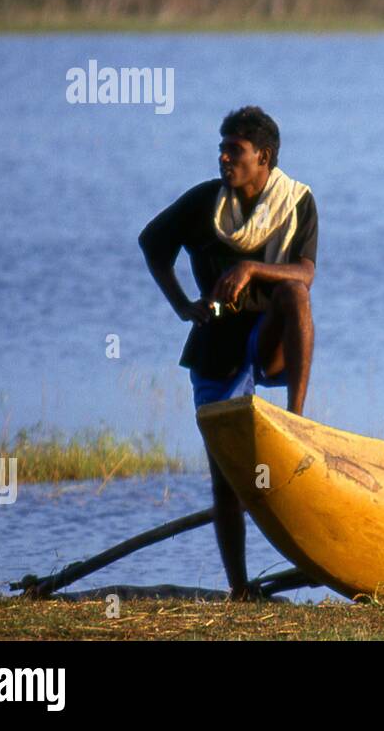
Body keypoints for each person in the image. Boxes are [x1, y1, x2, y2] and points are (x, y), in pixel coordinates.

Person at [138, 105, 318, 600]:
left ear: (263, 156)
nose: (223, 157)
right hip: (217, 340)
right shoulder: (203, 204)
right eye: (222, 147)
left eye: (234, 150)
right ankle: (239, 590)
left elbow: (304, 275)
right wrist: (181, 305)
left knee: (295, 296)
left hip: (271, 339)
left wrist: (251, 270)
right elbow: (152, 243)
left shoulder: (296, 201)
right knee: (227, 479)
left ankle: (296, 421)